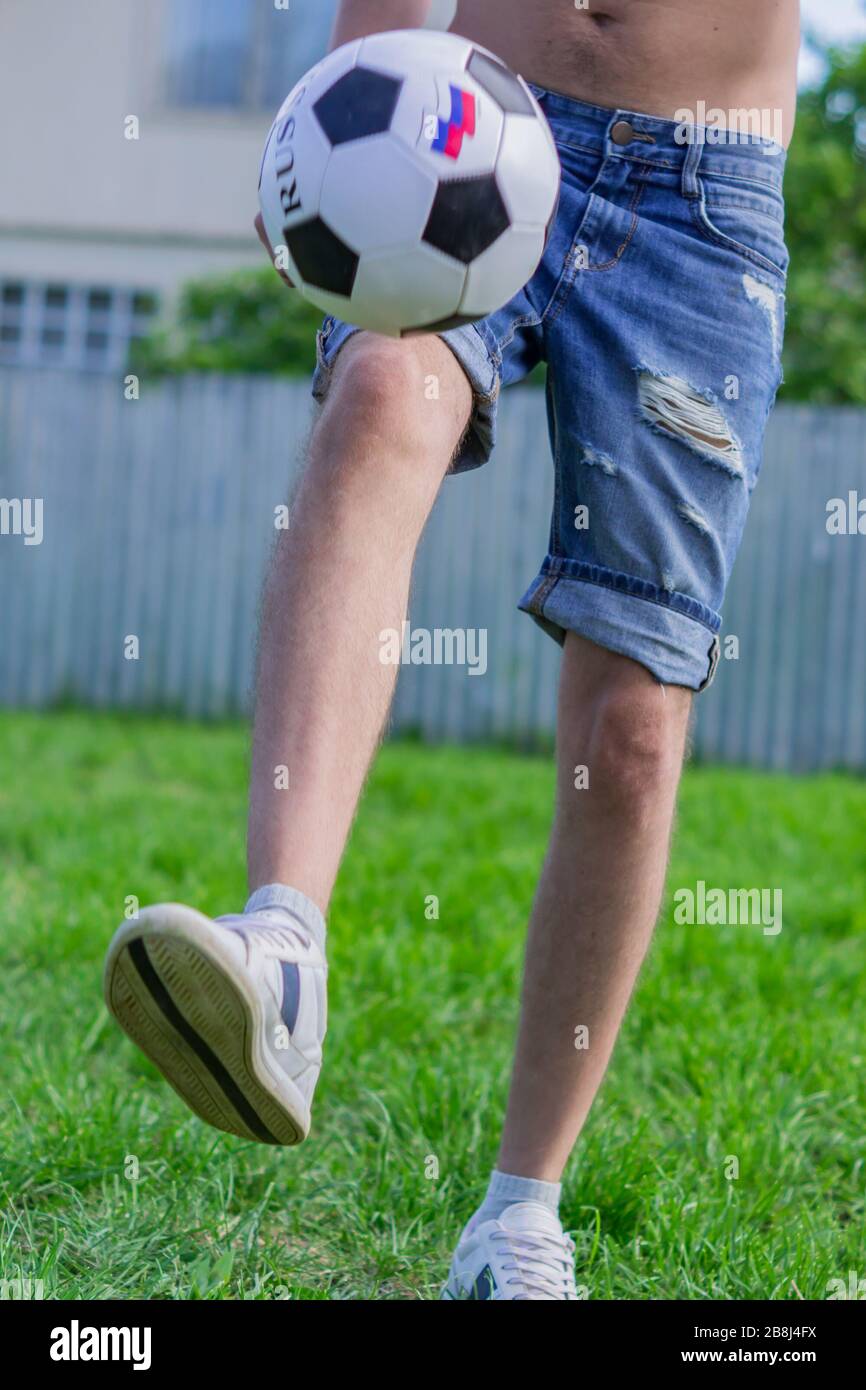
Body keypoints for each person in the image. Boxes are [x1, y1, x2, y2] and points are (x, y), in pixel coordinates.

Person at [104, 0, 800, 1300]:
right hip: (463, 107)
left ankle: (517, 1220)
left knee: (631, 730)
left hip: (706, 198)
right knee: (379, 395)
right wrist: (343, 82)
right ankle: (281, 951)